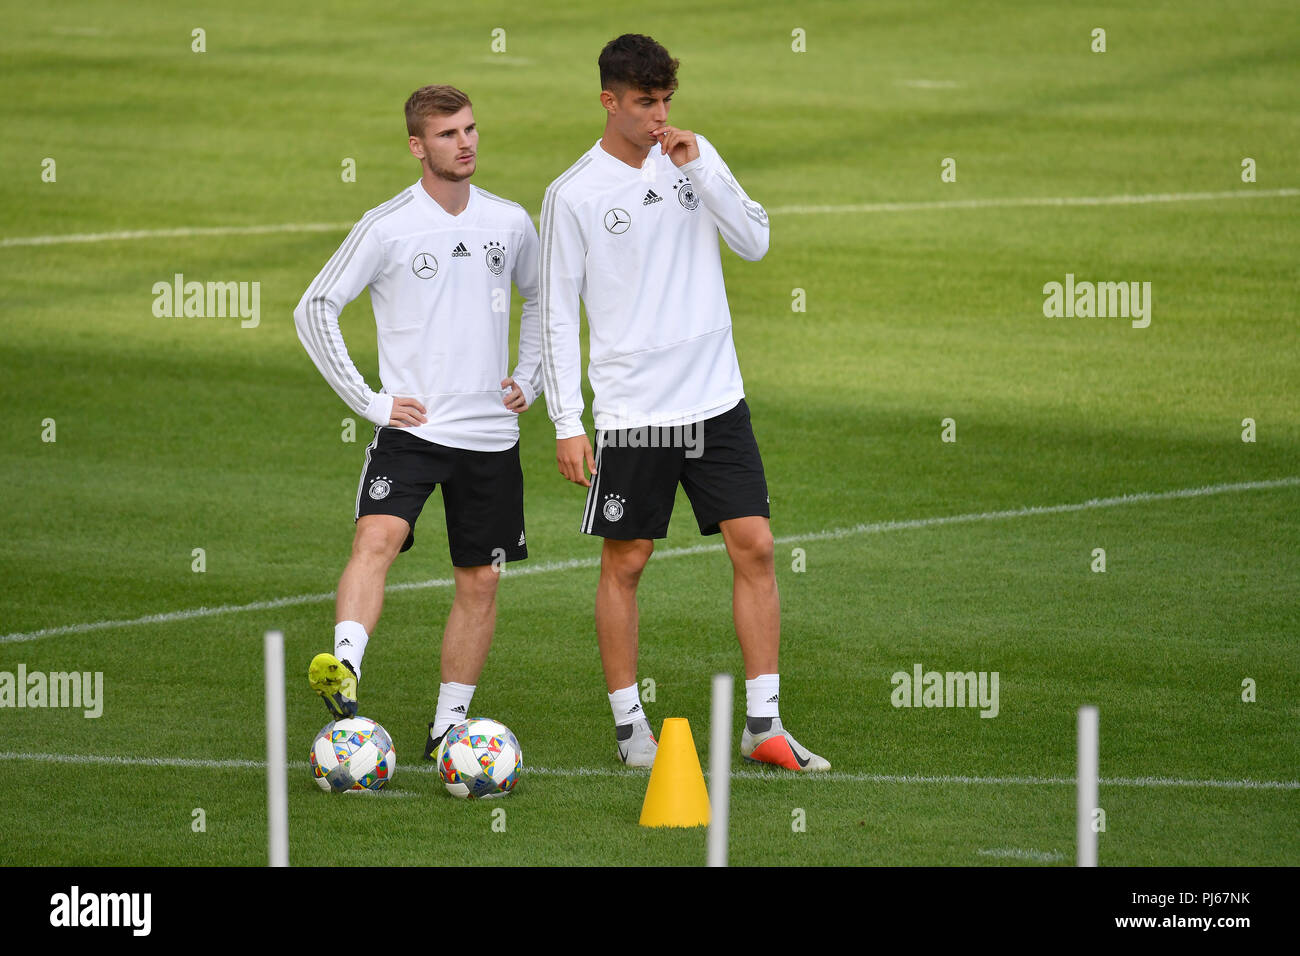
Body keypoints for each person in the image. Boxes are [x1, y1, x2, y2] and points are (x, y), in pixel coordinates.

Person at [539, 35, 829, 771]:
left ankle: (763, 725)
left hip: (716, 398)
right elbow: (554, 313)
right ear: (609, 101)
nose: (659, 116)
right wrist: (567, 421)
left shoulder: (694, 158)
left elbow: (756, 242)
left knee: (756, 545)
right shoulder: (573, 193)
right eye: (644, 103)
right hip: (635, 412)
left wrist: (700, 170)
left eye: (666, 101)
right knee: (628, 561)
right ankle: (630, 727)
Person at [292, 84, 542, 759]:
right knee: (376, 539)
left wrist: (530, 377)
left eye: (470, 129)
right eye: (447, 134)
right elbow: (315, 307)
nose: (465, 143)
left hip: (491, 436)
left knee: (481, 580)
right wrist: (372, 403)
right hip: (413, 431)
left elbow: (543, 297)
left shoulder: (511, 222)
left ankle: (447, 727)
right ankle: (345, 667)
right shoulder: (388, 225)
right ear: (416, 145)